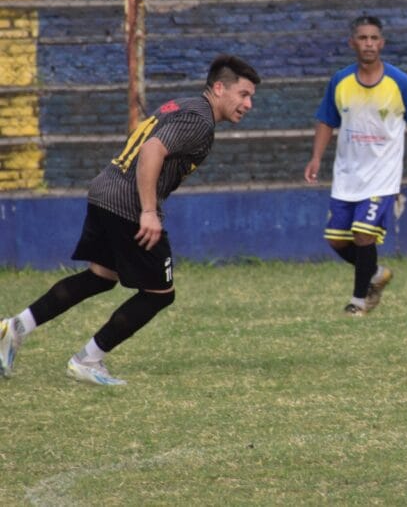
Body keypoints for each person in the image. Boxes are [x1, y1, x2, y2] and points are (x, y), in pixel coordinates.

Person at [0, 55, 261, 385]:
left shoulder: (185, 106)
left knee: (100, 277)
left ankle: (16, 327)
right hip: (127, 203)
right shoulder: (200, 121)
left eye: (251, 97)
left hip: (104, 190)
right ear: (219, 88)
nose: (248, 104)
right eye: (243, 94)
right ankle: (88, 360)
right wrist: (148, 212)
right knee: (160, 293)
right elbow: (152, 150)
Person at [304, 15, 407, 317]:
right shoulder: (340, 81)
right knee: (337, 240)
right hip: (346, 175)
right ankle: (374, 272)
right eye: (363, 38)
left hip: (382, 177)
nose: (369, 44)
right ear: (353, 43)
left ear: (382, 43)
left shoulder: (398, 82)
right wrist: (316, 158)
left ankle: (358, 302)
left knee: (363, 234)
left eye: (374, 38)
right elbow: (326, 120)